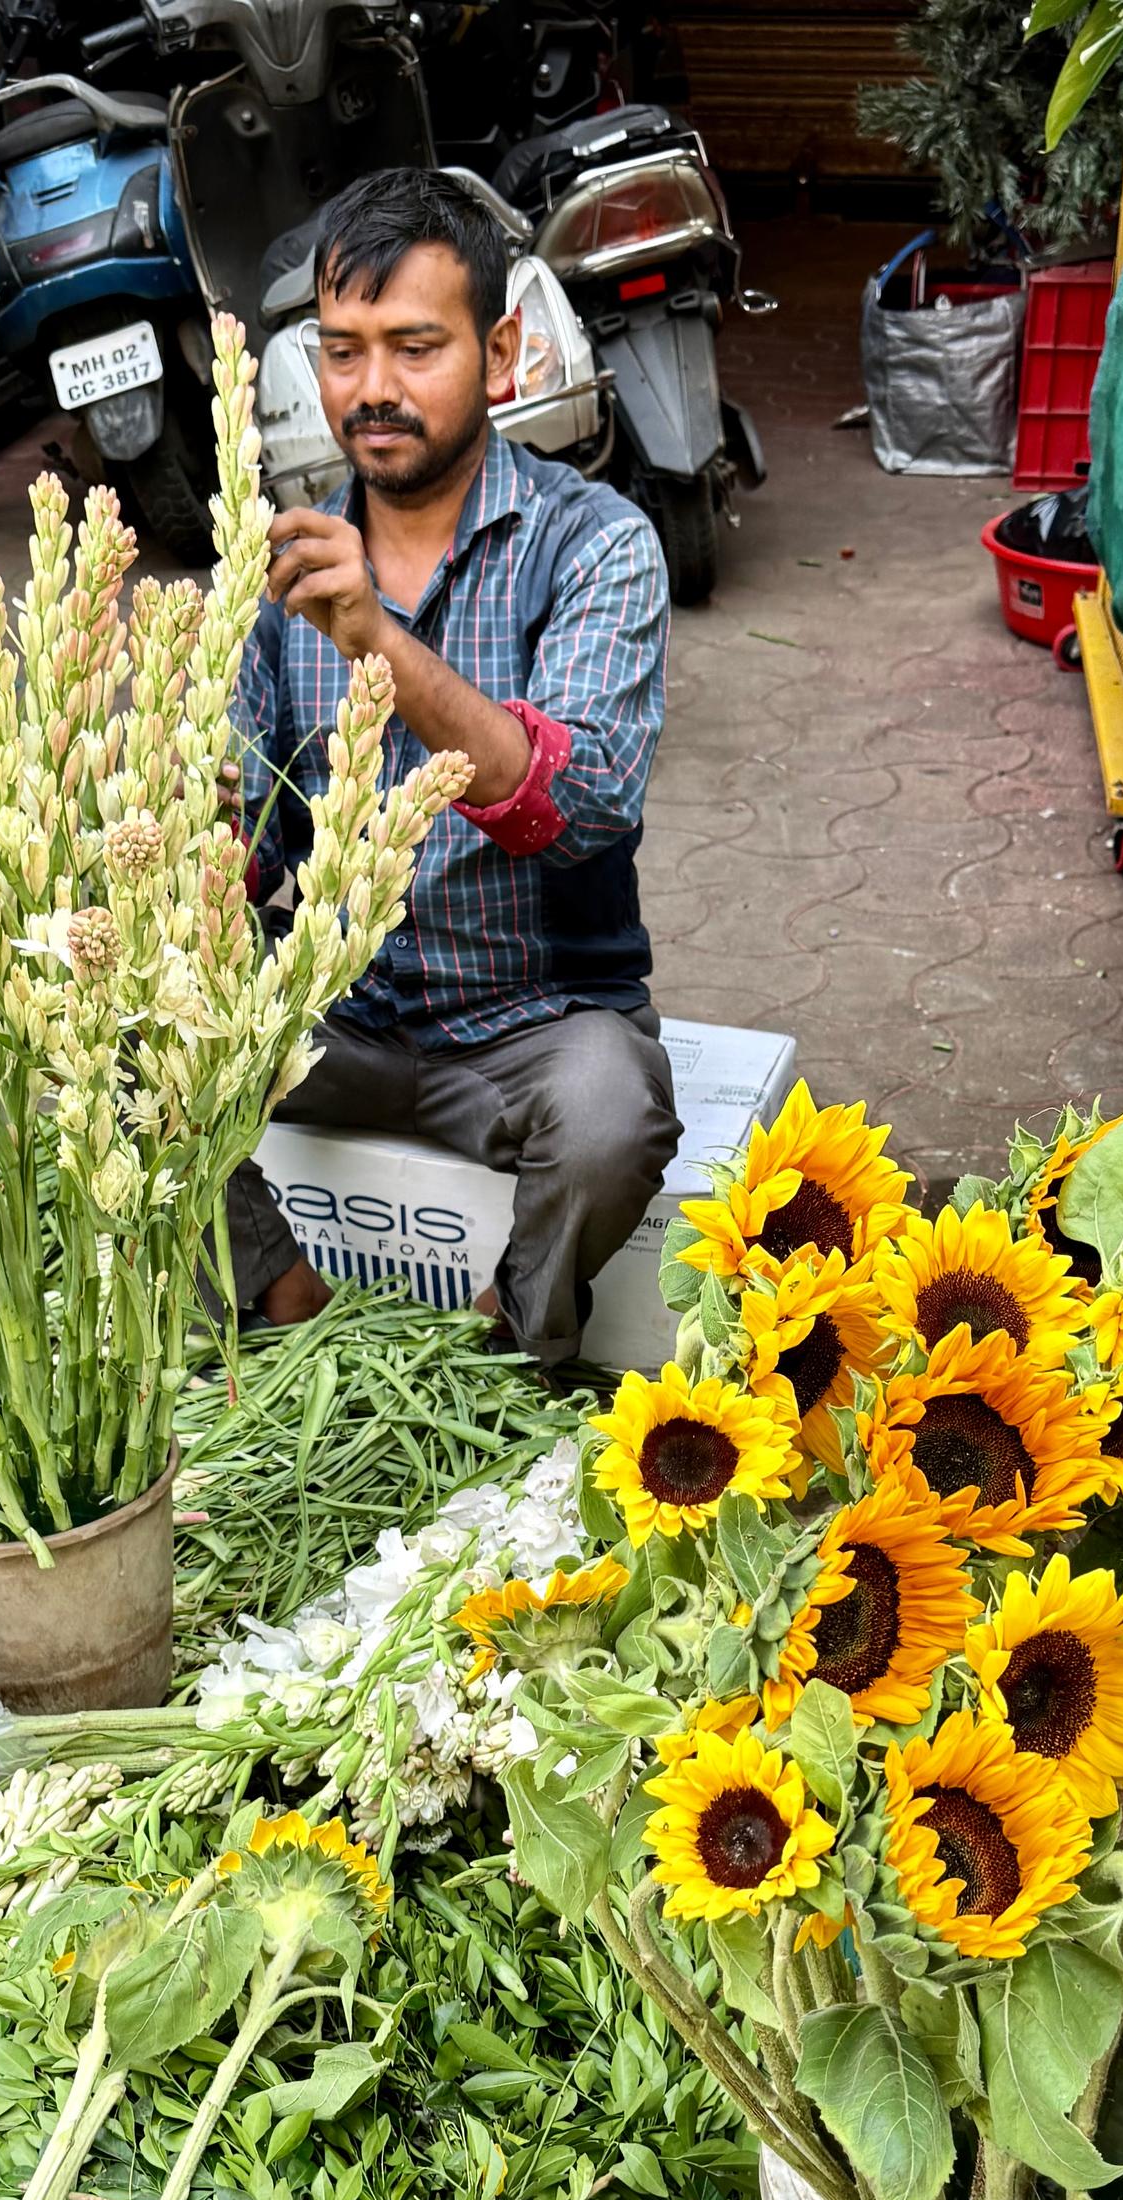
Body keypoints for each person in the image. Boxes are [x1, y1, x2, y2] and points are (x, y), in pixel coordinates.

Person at [222, 166, 679, 1367]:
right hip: (337, 1021)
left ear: (502, 345)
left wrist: (379, 639)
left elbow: (574, 809)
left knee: (608, 1118)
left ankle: (503, 1347)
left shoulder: (596, 544)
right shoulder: (282, 573)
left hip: (528, 1029)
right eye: (340, 351)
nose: (371, 391)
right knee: (85, 1011)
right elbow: (251, 855)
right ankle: (279, 1309)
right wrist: (186, 833)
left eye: (415, 347)